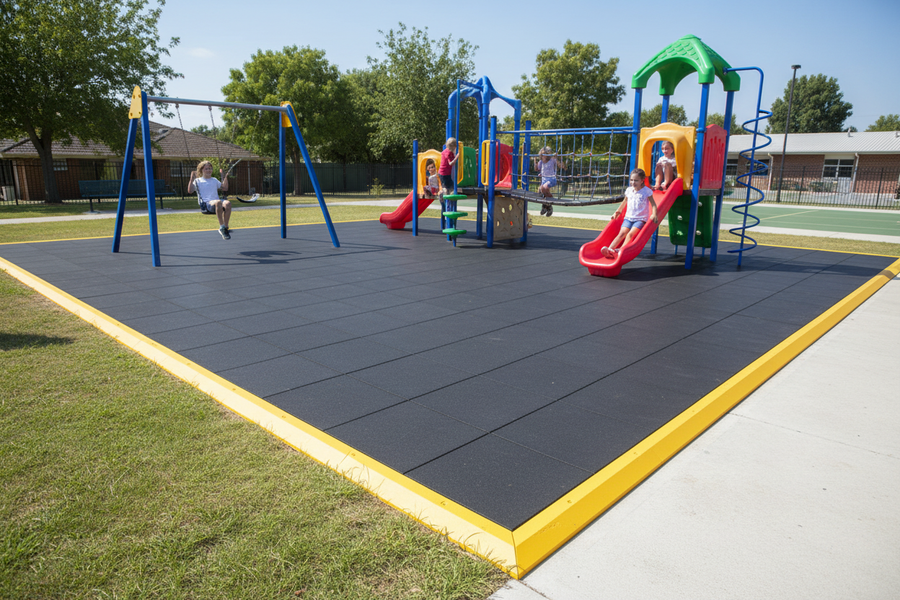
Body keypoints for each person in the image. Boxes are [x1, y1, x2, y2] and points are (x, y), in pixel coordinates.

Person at [602, 168, 658, 259]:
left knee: (630, 234)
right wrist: (617, 212)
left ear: (642, 180)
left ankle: (621, 250)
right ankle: (609, 250)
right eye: (631, 180)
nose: (633, 182)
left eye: (636, 180)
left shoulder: (646, 191)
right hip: (628, 217)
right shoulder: (629, 190)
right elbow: (624, 202)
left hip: (640, 219)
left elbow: (654, 204)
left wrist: (654, 214)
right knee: (621, 233)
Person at [188, 160, 231, 240]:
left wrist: (224, 177)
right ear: (202, 170)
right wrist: (191, 178)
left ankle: (225, 226)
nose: (209, 170)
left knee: (228, 203)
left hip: (216, 204)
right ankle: (221, 227)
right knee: (218, 202)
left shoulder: (214, 180)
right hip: (206, 205)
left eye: (210, 168)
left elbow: (225, 188)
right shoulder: (198, 181)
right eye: (206, 169)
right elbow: (190, 191)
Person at [534, 146, 559, 217]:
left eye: (544, 155)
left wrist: (557, 158)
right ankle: (547, 206)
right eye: (542, 156)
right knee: (540, 191)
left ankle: (547, 205)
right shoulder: (541, 162)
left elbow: (561, 165)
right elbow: (537, 169)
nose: (543, 157)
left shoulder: (552, 160)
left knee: (545, 187)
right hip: (544, 180)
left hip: (551, 179)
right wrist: (535, 161)